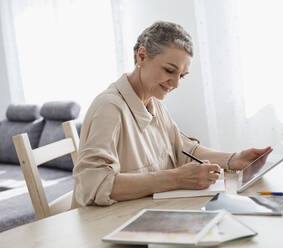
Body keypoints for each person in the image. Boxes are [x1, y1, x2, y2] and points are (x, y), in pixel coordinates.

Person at [72, 21, 271, 207]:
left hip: (147, 214)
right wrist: (176, 178)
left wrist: (234, 159)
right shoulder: (109, 108)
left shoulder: (155, 105)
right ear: (141, 57)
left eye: (181, 76)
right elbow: (92, 186)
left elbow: (185, 150)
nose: (175, 84)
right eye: (169, 70)